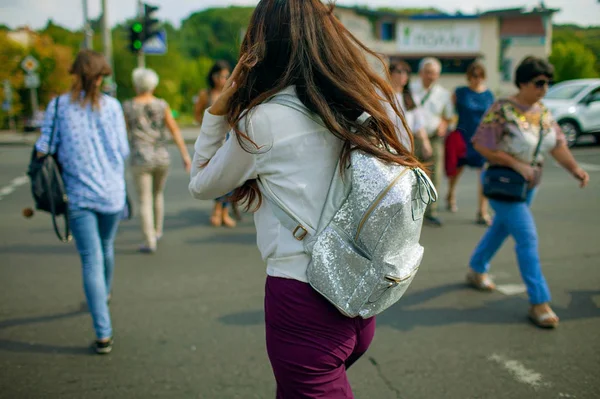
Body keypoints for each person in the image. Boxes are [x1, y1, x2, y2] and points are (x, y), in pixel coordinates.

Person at [189, 0, 422, 396]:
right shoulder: (356, 104)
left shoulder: (262, 120)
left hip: (303, 301)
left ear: (261, 46)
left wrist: (217, 112)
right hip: (359, 289)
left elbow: (201, 183)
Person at [468, 56, 590, 329]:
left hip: (528, 185)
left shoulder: (543, 113)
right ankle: (539, 301)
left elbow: (557, 145)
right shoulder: (502, 109)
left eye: (548, 83)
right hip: (503, 182)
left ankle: (476, 268)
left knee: (500, 229)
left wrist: (575, 169)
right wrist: (515, 163)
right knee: (526, 236)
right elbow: (480, 144)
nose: (544, 88)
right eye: (539, 83)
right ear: (522, 82)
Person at [35, 50, 129, 354]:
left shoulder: (59, 106)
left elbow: (43, 148)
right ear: (100, 75)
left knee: (91, 258)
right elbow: (122, 151)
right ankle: (105, 293)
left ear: (75, 73)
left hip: (78, 194)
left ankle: (104, 333)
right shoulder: (113, 107)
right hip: (112, 192)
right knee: (106, 247)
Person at [123, 68, 191, 253]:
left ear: (136, 84)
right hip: (161, 156)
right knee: (158, 194)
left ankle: (149, 239)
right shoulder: (162, 105)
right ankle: (158, 230)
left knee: (144, 200)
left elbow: (123, 133)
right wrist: (185, 155)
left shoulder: (129, 106)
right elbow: (174, 130)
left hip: (140, 158)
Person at [445, 62, 495, 225]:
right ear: (469, 77)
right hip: (463, 136)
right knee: (457, 170)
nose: (477, 79)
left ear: (484, 77)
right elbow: (448, 110)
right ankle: (451, 194)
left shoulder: (489, 95)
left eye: (480, 76)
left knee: (483, 174)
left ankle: (482, 211)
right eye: (474, 76)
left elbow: (492, 116)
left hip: (482, 138)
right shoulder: (460, 92)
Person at [194, 60, 239, 228]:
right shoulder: (206, 94)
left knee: (228, 176)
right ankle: (217, 210)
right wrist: (207, 128)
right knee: (215, 174)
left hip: (228, 138)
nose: (222, 79)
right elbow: (197, 114)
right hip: (213, 141)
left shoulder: (232, 92)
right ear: (213, 77)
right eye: (220, 76)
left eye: (226, 76)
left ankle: (224, 211)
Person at [410, 57, 454, 227]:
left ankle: (431, 210)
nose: (431, 76)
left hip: (434, 138)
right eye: (428, 73)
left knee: (434, 174)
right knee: (411, 174)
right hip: (413, 137)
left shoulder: (443, 94)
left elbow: (448, 117)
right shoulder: (410, 90)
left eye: (434, 73)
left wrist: (444, 125)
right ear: (421, 73)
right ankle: (411, 209)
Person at [389, 60, 432, 160]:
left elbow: (418, 124)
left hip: (406, 148)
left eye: (406, 73)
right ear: (390, 74)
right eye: (399, 72)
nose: (403, 76)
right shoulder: (382, 96)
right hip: (387, 147)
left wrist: (425, 142)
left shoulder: (411, 97)